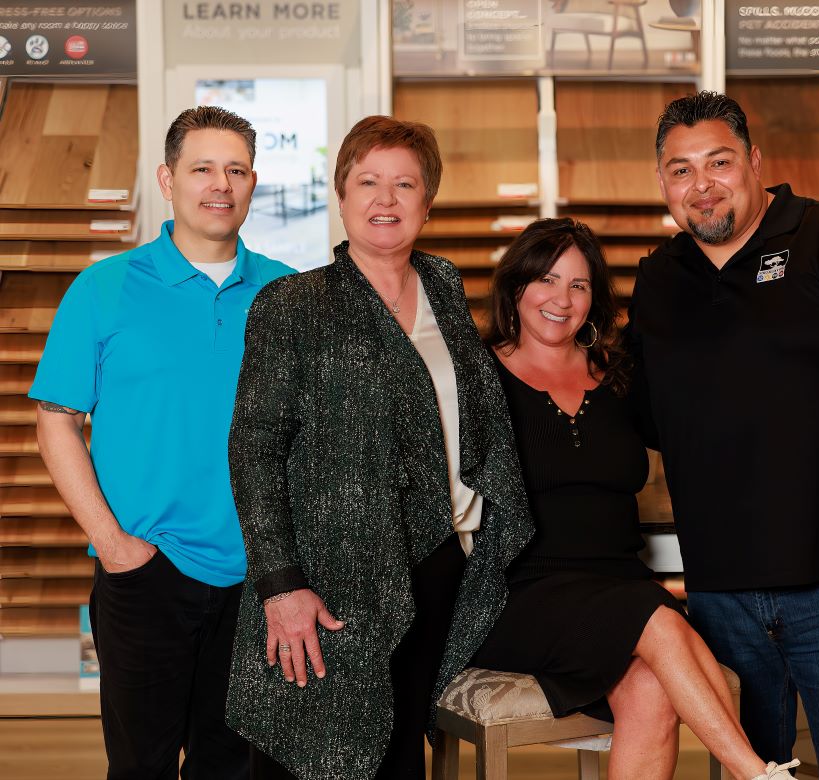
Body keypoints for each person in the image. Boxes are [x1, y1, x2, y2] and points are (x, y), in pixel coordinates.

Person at [626, 91, 819, 778]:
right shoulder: (659, 278)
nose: (702, 185)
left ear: (755, 162)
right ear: (663, 183)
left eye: (719, 162)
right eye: (681, 170)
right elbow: (644, 413)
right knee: (755, 771)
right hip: (720, 589)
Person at [224, 116, 534, 780]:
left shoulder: (445, 290)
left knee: (396, 757)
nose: (385, 199)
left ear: (428, 202)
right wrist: (281, 585)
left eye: (405, 184)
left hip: (433, 563)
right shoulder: (292, 305)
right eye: (368, 182)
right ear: (341, 196)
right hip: (324, 579)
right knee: (312, 753)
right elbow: (255, 450)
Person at [471, 218, 800, 780]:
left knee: (650, 686)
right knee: (660, 619)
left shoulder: (620, 377)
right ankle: (758, 773)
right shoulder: (475, 378)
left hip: (617, 583)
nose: (561, 299)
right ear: (516, 285)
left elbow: (700, 423)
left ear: (595, 299)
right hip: (517, 592)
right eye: (546, 279)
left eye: (578, 285)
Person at [30, 106, 294, 779]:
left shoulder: (288, 293)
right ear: (167, 180)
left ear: (253, 183)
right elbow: (56, 421)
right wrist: (115, 545)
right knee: (140, 768)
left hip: (259, 578)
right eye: (202, 168)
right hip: (145, 573)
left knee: (233, 769)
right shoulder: (104, 288)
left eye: (236, 170)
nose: (220, 184)